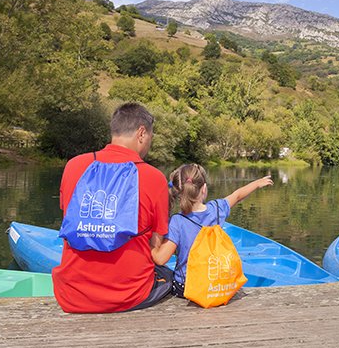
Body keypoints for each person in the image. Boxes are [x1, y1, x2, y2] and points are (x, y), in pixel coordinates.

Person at [52, 102, 172, 313]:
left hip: (71, 296)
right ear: (141, 133)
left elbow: (69, 218)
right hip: (130, 296)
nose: (148, 146)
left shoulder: (74, 166)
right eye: (150, 139)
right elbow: (156, 240)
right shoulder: (154, 177)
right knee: (169, 275)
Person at [152, 163, 273, 297]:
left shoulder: (177, 221)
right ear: (204, 188)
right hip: (215, 284)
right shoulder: (217, 209)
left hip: (187, 287)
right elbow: (238, 195)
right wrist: (257, 183)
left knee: (162, 272)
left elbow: (160, 259)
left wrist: (152, 241)